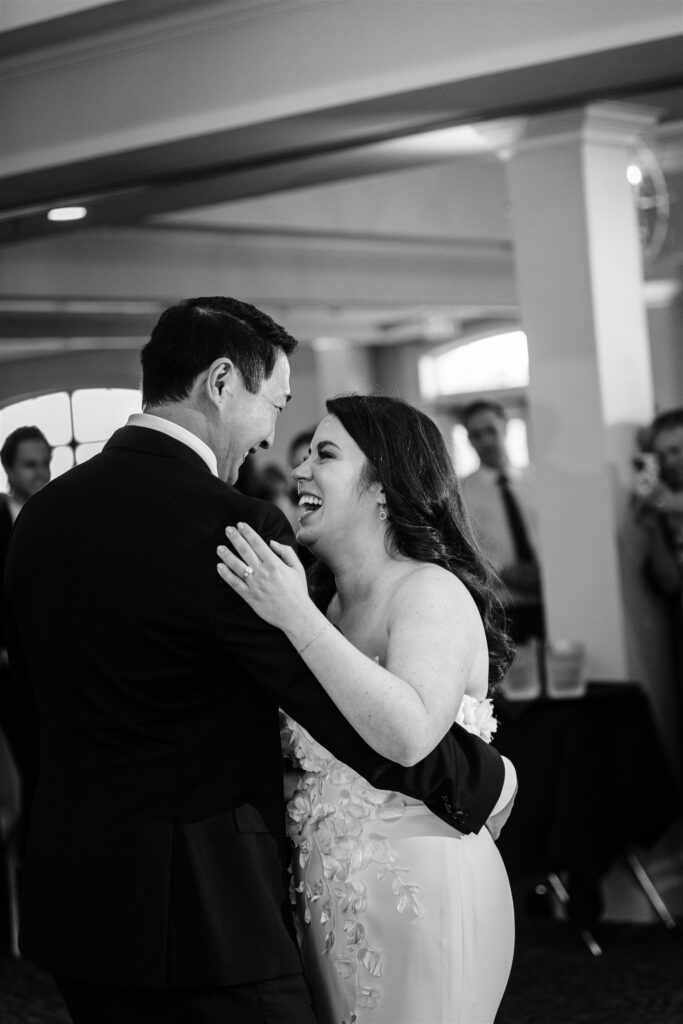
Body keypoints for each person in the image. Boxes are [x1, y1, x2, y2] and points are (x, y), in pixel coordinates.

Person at [5, 298, 513, 1024]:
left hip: (74, 898)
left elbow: (25, 703)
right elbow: (324, 706)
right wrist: (482, 778)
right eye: (274, 402)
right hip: (206, 908)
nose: (276, 437)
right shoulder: (230, 526)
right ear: (220, 382)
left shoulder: (39, 521)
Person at [217, 394, 517, 1024]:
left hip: (419, 892)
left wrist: (294, 617)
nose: (299, 471)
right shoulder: (323, 605)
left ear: (384, 488)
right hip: (325, 899)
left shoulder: (427, 591)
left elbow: (408, 735)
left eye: (324, 455)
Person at [460, 399, 545, 644]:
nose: (486, 441)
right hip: (501, 607)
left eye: (490, 430)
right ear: (469, 440)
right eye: (476, 434)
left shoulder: (537, 481)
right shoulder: (461, 492)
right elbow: (463, 551)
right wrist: (503, 572)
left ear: (505, 428)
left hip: (551, 597)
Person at [0, 427, 51, 832]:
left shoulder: (59, 517)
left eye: (46, 463)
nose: (42, 473)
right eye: (30, 465)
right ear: (9, 471)